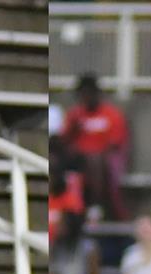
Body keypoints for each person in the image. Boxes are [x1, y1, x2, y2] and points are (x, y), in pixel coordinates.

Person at [61, 72, 129, 221]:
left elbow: (115, 144)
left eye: (88, 94)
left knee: (95, 160)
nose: (86, 98)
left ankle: (95, 205)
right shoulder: (75, 114)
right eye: (82, 94)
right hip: (79, 160)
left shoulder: (112, 114)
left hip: (104, 160)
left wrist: (93, 154)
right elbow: (64, 140)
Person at [47, 208, 102, 274]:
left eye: (61, 224)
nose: (58, 228)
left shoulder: (89, 247)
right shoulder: (54, 246)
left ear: (70, 226)